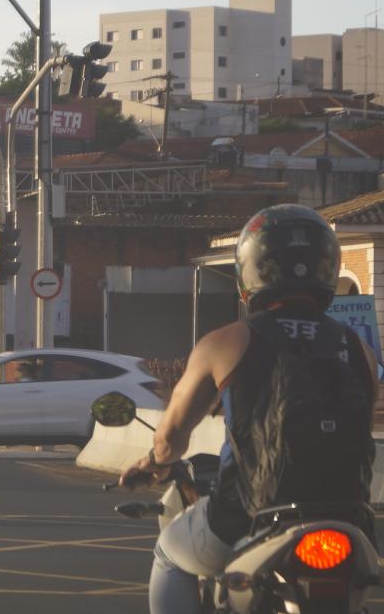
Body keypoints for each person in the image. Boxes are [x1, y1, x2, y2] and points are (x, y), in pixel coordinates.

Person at [119, 204, 377, 614]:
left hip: (249, 512)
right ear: (327, 270)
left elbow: (170, 438)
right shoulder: (358, 349)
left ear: (249, 271)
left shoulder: (228, 342)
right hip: (350, 521)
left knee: (169, 555)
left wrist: (154, 462)